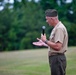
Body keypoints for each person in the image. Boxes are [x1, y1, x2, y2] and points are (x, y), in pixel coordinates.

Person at [33, 9, 68, 75]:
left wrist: (45, 40)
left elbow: (58, 47)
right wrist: (44, 43)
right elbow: (55, 45)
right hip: (57, 59)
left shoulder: (59, 29)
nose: (46, 21)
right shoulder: (56, 28)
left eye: (47, 19)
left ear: (52, 19)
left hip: (57, 59)